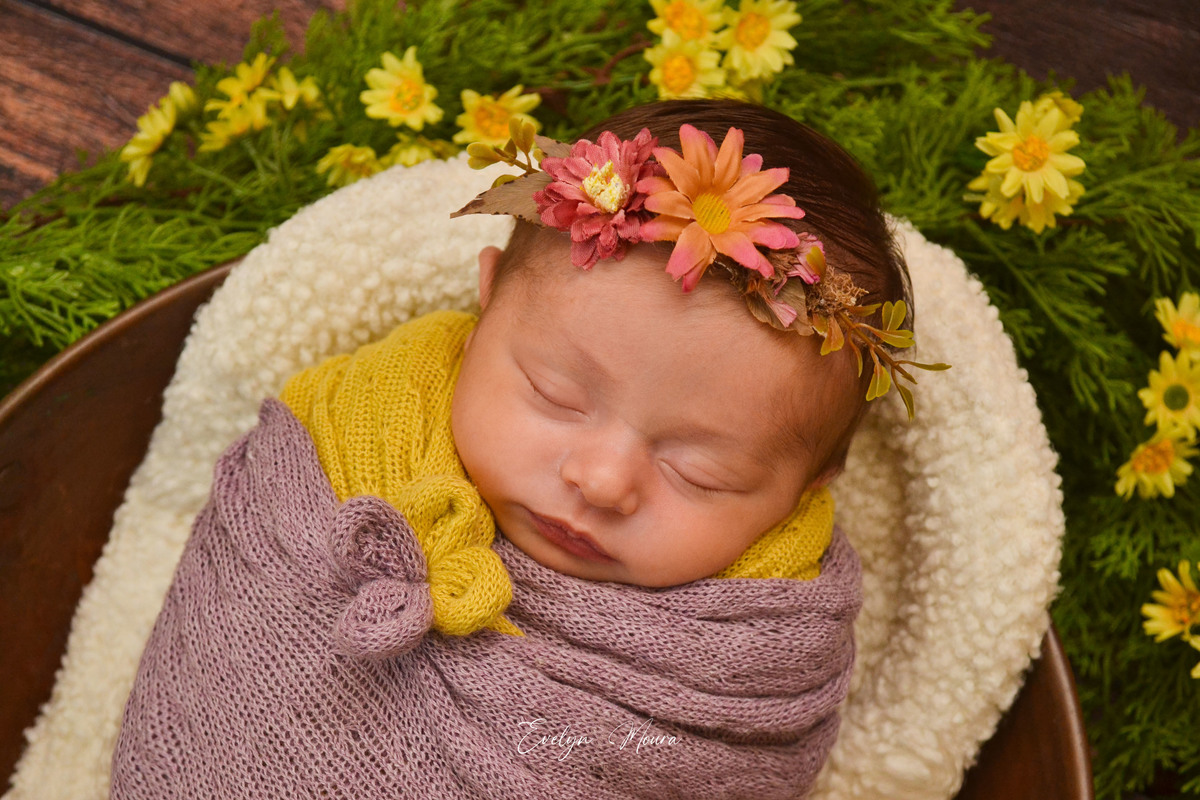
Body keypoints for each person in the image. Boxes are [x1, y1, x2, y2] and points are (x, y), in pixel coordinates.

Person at [110, 98, 930, 799]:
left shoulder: (753, 662)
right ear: (488, 298)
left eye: (699, 471)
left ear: (808, 487)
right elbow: (236, 643)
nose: (602, 480)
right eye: (555, 395)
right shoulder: (346, 440)